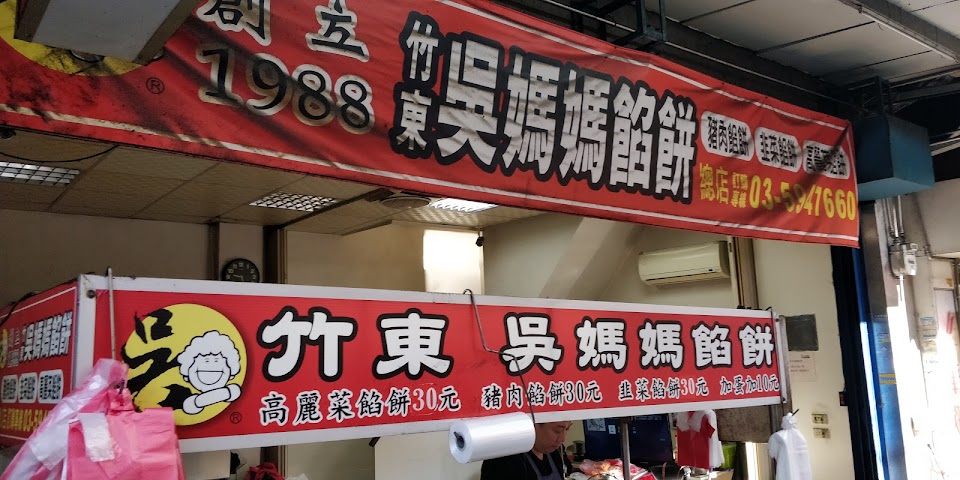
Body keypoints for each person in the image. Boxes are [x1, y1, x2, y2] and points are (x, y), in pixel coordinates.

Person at [480, 421, 573, 480]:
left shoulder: (556, 453)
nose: (563, 438)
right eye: (557, 430)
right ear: (534, 424)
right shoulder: (502, 460)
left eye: (567, 429)